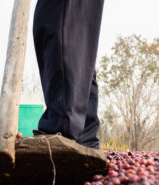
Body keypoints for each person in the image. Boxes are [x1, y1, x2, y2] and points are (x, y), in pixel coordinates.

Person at [33, 0, 105, 150]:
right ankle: (83, 136)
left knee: (61, 19)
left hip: (65, 134)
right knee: (74, 28)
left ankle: (64, 132)